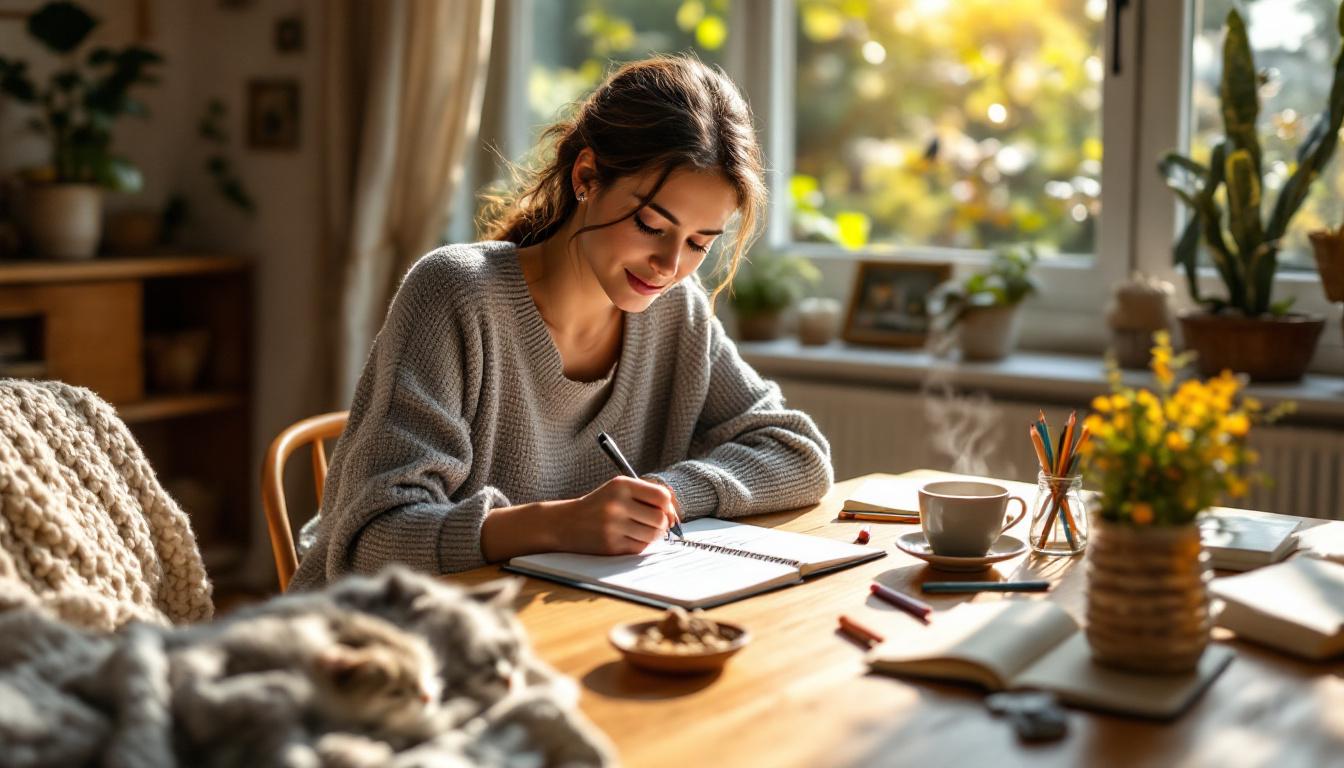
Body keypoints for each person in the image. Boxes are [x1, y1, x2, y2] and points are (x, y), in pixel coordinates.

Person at [289, 55, 832, 589]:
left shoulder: (676, 309)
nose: (669, 266)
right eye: (650, 224)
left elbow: (799, 454)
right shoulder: (456, 293)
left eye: (698, 243)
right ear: (587, 176)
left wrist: (662, 497)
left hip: (542, 624)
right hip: (369, 643)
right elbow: (372, 544)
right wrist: (556, 524)